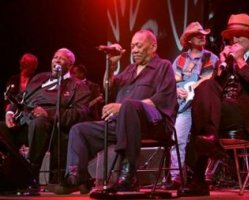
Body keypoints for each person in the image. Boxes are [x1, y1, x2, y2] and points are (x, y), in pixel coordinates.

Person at [52, 30, 177, 195]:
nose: (135, 50)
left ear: (153, 46)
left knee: (129, 106)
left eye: (139, 45)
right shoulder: (130, 70)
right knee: (79, 130)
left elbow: (163, 99)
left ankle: (128, 173)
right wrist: (111, 66)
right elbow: (108, 89)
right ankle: (77, 178)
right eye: (132, 46)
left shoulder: (163, 66)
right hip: (120, 126)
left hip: (152, 124)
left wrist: (124, 106)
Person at [184, 13, 249, 196]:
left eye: (238, 35)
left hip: (247, 116)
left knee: (202, 118)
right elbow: (211, 92)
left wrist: (240, 61)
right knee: (205, 86)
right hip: (221, 113)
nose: (234, 40)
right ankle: (210, 139)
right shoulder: (226, 61)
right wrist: (221, 68)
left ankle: (198, 177)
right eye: (231, 37)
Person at [0, 48, 91, 195]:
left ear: (70, 64)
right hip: (24, 121)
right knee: (1, 129)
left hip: (49, 127)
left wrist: (48, 114)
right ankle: (11, 174)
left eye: (61, 59)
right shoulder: (39, 78)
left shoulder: (78, 86)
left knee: (39, 122)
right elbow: (20, 98)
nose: (56, 60)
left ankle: (31, 175)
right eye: (55, 57)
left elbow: (79, 114)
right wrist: (10, 112)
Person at [167, 21, 219, 189]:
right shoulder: (180, 59)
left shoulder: (211, 58)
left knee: (205, 140)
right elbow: (172, 82)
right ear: (189, 40)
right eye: (198, 34)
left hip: (203, 106)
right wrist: (176, 90)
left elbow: (210, 81)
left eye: (203, 34)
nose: (202, 36)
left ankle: (204, 177)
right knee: (177, 140)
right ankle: (177, 177)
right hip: (184, 106)